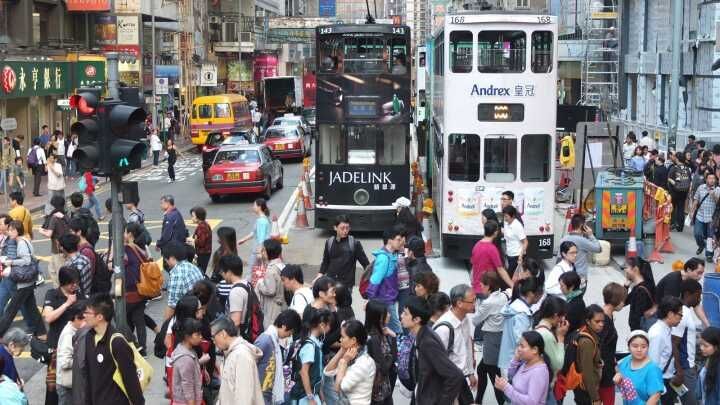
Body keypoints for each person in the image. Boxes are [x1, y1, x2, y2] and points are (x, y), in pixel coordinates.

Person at [81, 293, 144, 404]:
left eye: (87, 312)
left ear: (100, 317)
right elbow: (88, 376)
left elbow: (131, 381)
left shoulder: (117, 343)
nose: (84, 315)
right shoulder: (89, 337)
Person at [400, 296, 464, 405]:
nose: (401, 316)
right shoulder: (421, 334)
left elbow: (455, 375)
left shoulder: (427, 343)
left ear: (417, 319)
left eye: (405, 313)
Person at [41, 266, 81, 404]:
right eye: (71, 283)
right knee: (53, 388)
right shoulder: (52, 294)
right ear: (63, 282)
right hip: (56, 349)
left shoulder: (79, 294)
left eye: (76, 282)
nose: (75, 286)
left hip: (75, 345)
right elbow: (48, 317)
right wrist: (67, 303)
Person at [0, 220, 47, 338]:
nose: (10, 232)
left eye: (12, 230)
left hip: (23, 282)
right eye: (9, 229)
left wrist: (10, 262)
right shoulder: (21, 240)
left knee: (11, 310)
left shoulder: (21, 242)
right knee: (31, 308)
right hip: (28, 281)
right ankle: (42, 332)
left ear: (18, 231)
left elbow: (26, 261)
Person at [434, 284, 477, 403]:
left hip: (461, 378)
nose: (475, 304)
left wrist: (470, 373)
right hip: (448, 382)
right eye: (472, 301)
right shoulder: (444, 328)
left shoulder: (465, 319)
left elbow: (467, 347)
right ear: (459, 303)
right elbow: (435, 360)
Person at [473, 271, 509, 403]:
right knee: (482, 369)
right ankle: (478, 400)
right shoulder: (503, 296)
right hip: (499, 337)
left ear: (488, 286)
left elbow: (475, 320)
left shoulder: (488, 303)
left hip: (491, 339)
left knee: (494, 375)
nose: (480, 287)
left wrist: (477, 307)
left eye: (482, 285)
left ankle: (500, 401)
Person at [317, 215, 370, 301]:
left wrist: (370, 281)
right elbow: (325, 262)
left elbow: (366, 264)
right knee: (331, 309)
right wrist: (319, 275)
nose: (345, 231)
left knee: (344, 309)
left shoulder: (354, 243)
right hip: (330, 284)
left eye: (347, 228)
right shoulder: (329, 242)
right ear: (335, 227)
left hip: (346, 285)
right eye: (342, 228)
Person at [254, 309, 301, 405]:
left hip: (267, 393)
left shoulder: (273, 340)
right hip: (260, 393)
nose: (289, 336)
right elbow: (251, 364)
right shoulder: (265, 340)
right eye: (290, 332)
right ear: (284, 326)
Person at [324, 320, 376, 405]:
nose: (340, 340)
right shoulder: (349, 354)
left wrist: (343, 362)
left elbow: (340, 387)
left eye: (343, 337)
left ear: (353, 340)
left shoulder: (365, 362)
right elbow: (327, 372)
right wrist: (342, 350)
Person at [498, 276, 543, 373]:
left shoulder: (514, 305)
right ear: (531, 294)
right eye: (540, 295)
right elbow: (522, 340)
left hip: (507, 359)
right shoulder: (522, 314)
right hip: (514, 363)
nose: (540, 298)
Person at [494, 330, 551, 404]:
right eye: (519, 345)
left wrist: (506, 388)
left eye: (522, 346)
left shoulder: (538, 372)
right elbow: (511, 376)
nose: (518, 349)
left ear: (535, 350)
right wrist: (516, 359)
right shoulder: (526, 362)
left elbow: (531, 402)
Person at [366, 226, 405, 335]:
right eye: (398, 239)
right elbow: (375, 281)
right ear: (389, 240)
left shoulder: (391, 255)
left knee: (384, 329)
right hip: (385, 300)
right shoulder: (384, 258)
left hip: (388, 299)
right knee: (398, 331)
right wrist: (370, 300)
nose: (401, 242)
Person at [670, 279, 703, 405]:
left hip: (687, 366)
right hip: (684, 368)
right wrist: (680, 371)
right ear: (688, 294)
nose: (699, 299)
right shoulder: (682, 313)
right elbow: (674, 342)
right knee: (692, 402)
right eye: (698, 296)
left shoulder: (685, 311)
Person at [648, 296, 684, 405]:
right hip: (660, 385)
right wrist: (659, 390)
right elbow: (653, 364)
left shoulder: (666, 329)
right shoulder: (657, 333)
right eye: (680, 314)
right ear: (670, 314)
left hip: (666, 381)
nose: (681, 318)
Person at [533, 295, 569, 405]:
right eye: (563, 316)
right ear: (556, 316)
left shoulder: (537, 327)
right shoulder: (547, 335)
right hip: (545, 388)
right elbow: (558, 364)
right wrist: (561, 338)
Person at [613, 330, 665, 405]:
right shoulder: (625, 362)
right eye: (635, 346)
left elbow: (655, 396)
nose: (639, 350)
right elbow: (625, 387)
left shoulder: (652, 369)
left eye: (644, 346)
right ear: (629, 347)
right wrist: (617, 382)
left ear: (648, 347)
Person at [293, 308, 332, 405]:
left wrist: (321, 397)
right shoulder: (310, 346)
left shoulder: (314, 344)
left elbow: (316, 375)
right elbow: (304, 372)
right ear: (322, 325)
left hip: (311, 395)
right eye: (329, 325)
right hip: (304, 396)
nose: (330, 328)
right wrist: (310, 398)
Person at [655, 258, 709, 327]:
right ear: (689, 270)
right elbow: (669, 308)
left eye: (702, 273)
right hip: (658, 315)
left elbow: (696, 305)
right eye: (698, 273)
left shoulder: (690, 282)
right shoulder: (673, 281)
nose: (701, 277)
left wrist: (707, 325)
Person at [124, 222, 152, 355]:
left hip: (129, 290)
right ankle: (142, 349)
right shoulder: (141, 246)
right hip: (142, 289)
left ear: (129, 234)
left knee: (124, 320)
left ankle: (132, 345)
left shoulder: (125, 249)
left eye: (124, 232)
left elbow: (112, 265)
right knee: (139, 320)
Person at [598, 283, 627, 405]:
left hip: (608, 368)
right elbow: (601, 348)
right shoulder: (604, 320)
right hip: (603, 372)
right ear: (616, 300)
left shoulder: (606, 316)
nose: (624, 303)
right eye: (622, 300)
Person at [364, 300, 397, 405]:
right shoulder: (374, 338)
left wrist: (393, 337)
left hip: (384, 388)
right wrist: (391, 355)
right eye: (386, 313)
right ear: (378, 317)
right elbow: (384, 368)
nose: (389, 315)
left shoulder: (381, 332)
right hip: (377, 392)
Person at [164, 241, 204, 320]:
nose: (166, 263)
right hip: (199, 311)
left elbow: (172, 306)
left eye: (166, 260)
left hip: (188, 317)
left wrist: (164, 328)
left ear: (172, 258)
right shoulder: (193, 267)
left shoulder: (177, 275)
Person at [573, 304, 605, 405]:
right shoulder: (587, 341)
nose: (601, 324)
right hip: (586, 391)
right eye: (597, 321)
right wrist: (595, 398)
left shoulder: (588, 334)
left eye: (603, 321)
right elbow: (587, 372)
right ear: (588, 321)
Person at [55, 301, 85, 405]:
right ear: (77, 318)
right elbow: (65, 362)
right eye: (83, 319)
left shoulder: (75, 331)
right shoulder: (69, 335)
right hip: (66, 385)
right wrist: (82, 360)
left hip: (72, 383)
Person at [471, 220, 513, 293]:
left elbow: (473, 266)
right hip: (486, 289)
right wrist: (512, 285)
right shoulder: (492, 249)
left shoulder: (476, 245)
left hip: (476, 287)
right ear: (495, 232)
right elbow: (500, 270)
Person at [557, 214, 601, 282]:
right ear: (582, 226)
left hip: (565, 277)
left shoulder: (563, 239)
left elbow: (559, 259)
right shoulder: (583, 241)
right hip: (579, 278)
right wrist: (591, 235)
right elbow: (598, 248)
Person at [170, 318, 204, 405]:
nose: (201, 337)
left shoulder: (185, 349)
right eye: (198, 334)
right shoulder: (185, 359)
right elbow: (187, 385)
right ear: (187, 336)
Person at [255, 239, 286, 329]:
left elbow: (270, 290)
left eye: (264, 250)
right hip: (283, 303)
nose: (262, 252)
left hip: (273, 306)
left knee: (271, 328)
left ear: (269, 251)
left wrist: (260, 285)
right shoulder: (281, 265)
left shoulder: (270, 270)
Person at [40, 195, 69, 287]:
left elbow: (49, 234)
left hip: (58, 250)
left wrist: (41, 231)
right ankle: (58, 289)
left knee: (59, 273)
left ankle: (61, 292)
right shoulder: (65, 215)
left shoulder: (54, 218)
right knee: (51, 269)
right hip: (65, 248)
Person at [219, 254, 252, 330]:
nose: (221, 275)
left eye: (222, 272)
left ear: (229, 272)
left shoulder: (236, 292)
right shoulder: (247, 284)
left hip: (238, 335)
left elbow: (235, 322)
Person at [624, 257, 658, 331]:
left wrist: (634, 335)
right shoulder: (646, 285)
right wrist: (626, 286)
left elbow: (637, 318)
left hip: (640, 332)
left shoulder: (640, 291)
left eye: (626, 267)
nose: (625, 270)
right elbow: (623, 302)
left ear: (635, 269)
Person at [691, 171, 720, 256]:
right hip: (700, 215)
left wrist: (713, 195)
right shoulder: (701, 187)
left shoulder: (718, 189)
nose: (712, 180)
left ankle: (709, 254)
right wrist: (692, 211)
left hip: (711, 217)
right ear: (706, 179)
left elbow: (718, 202)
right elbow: (696, 199)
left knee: (710, 237)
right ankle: (701, 245)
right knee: (697, 234)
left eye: (713, 178)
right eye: (710, 178)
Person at [238, 198, 271, 269]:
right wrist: (244, 239)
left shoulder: (261, 221)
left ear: (259, 207)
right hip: (261, 249)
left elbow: (261, 238)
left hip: (259, 250)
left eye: (254, 205)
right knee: (260, 270)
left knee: (253, 271)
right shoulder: (263, 219)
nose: (253, 207)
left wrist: (259, 252)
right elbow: (254, 233)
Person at [60, 234, 92, 298]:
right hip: (87, 294)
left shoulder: (69, 266)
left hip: (77, 299)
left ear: (63, 248)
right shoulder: (85, 258)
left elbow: (69, 288)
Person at [667, 153, 692, 231]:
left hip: (674, 191)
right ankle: (680, 226)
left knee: (673, 207)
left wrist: (674, 185)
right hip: (684, 191)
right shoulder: (687, 169)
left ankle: (673, 223)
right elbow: (689, 180)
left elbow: (669, 179)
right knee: (681, 208)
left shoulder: (674, 168)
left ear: (677, 159)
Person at [502, 205, 527, 276]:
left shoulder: (517, 226)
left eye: (506, 216)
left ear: (512, 216)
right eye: (504, 216)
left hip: (517, 255)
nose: (505, 218)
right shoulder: (506, 222)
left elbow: (525, 242)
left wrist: (520, 256)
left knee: (511, 276)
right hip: (509, 254)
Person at [699, 327, 720, 403]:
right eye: (701, 344)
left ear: (716, 347)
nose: (701, 348)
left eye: (706, 346)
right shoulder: (708, 359)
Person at [190, 206, 212, 273]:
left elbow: (201, 242)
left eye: (193, 216)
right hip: (203, 252)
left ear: (198, 217)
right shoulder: (203, 225)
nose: (191, 218)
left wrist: (193, 241)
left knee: (200, 271)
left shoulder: (202, 227)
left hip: (203, 253)